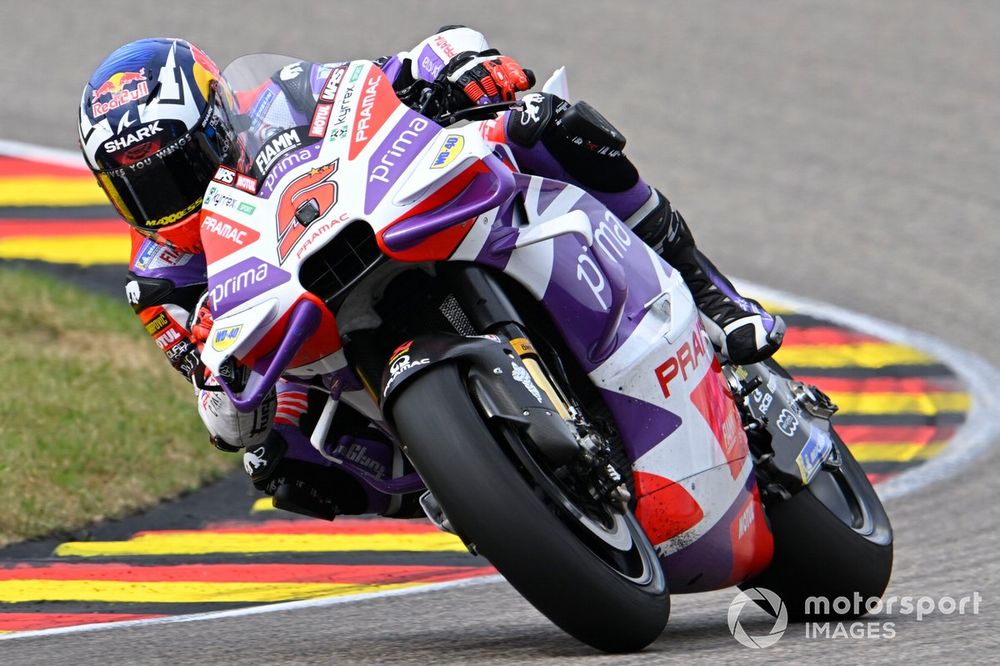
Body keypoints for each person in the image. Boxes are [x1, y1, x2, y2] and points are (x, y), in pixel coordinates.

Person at [78, 27, 783, 519]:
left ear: (214, 123)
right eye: (137, 187)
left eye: (173, 168)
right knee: (278, 461)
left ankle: (710, 294)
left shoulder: (285, 101)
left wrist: (464, 68)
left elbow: (404, 66)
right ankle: (470, 489)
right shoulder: (162, 282)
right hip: (319, 347)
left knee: (544, 124)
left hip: (392, 217)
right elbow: (226, 414)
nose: (164, 199)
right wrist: (220, 378)